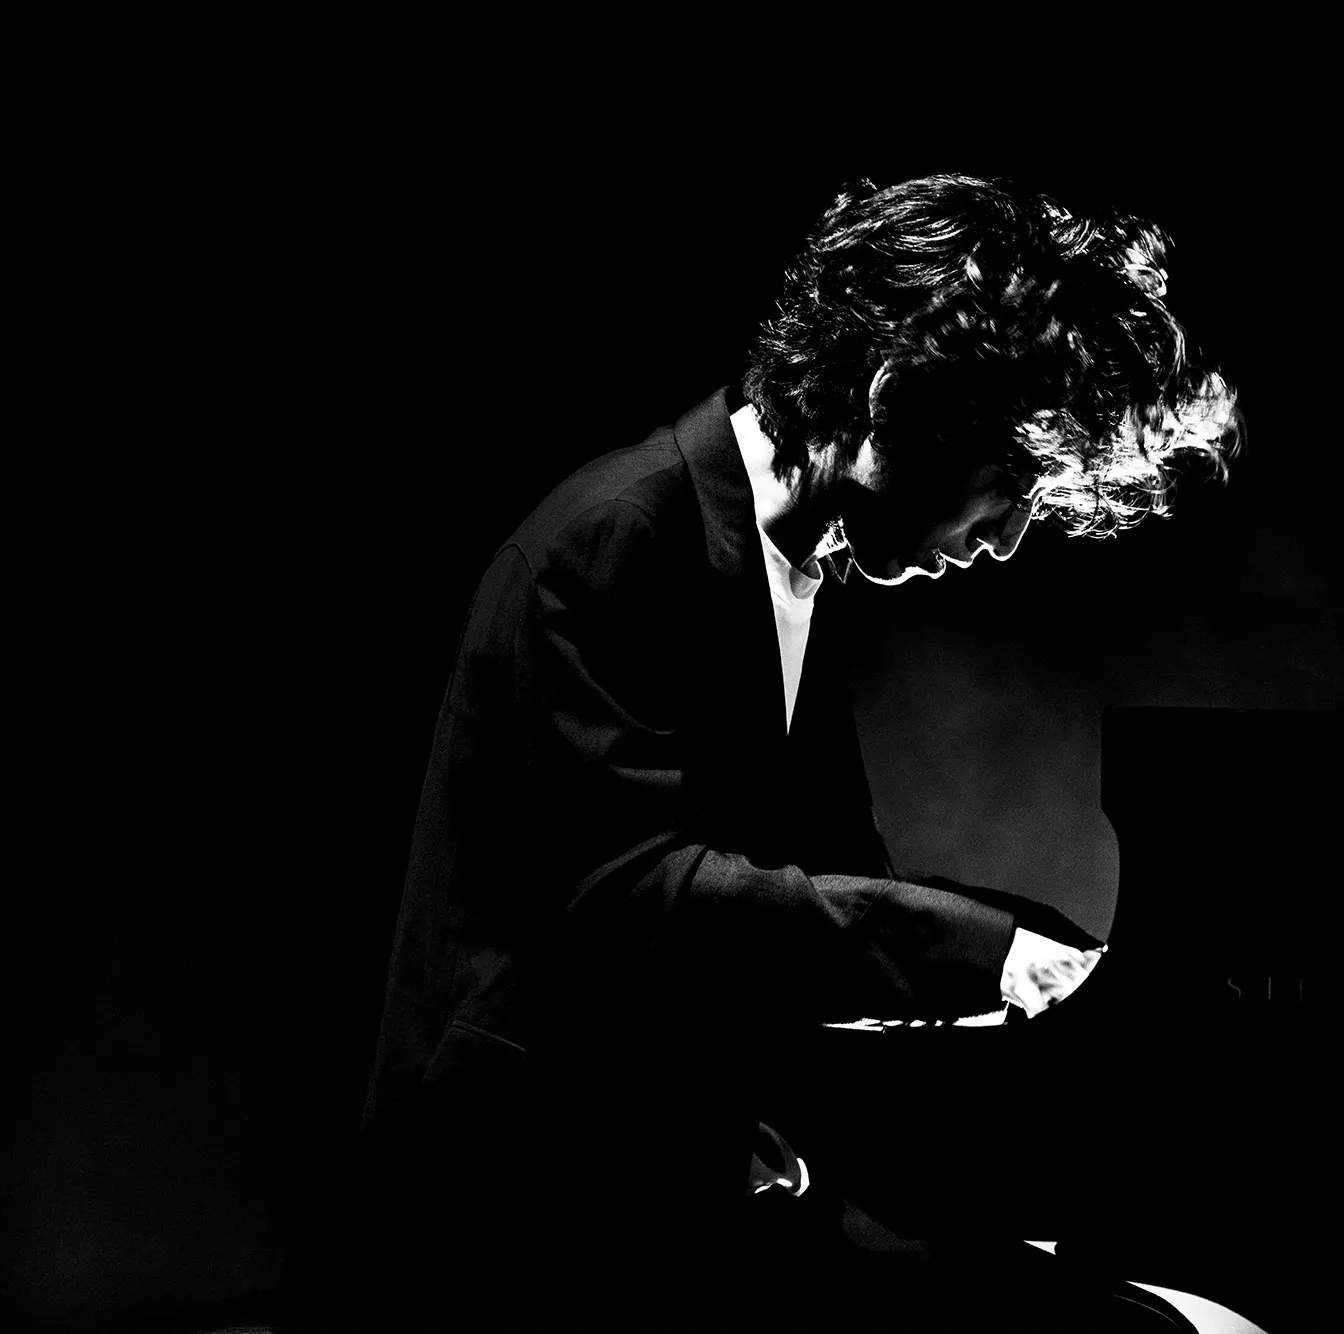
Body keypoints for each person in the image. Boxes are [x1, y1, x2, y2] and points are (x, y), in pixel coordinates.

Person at [278, 173, 1239, 1333]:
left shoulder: (791, 565)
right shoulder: (614, 539)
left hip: (682, 1166)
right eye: (1010, 483)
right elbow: (634, 899)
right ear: (897, 397)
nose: (1004, 538)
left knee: (1161, 1314)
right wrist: (996, 957)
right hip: (514, 1209)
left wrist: (1032, 988)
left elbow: (813, 892)